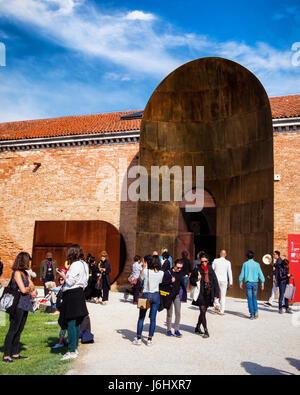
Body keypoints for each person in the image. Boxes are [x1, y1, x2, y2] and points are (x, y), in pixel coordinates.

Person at [58, 244, 89, 361]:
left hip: (72, 293)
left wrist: (63, 275)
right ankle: (74, 347)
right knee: (76, 323)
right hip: (80, 292)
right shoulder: (84, 264)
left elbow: (70, 281)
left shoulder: (75, 264)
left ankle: (71, 351)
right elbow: (85, 282)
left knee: (71, 322)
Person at [3, 252, 36, 363]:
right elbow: (23, 290)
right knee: (13, 329)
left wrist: (28, 288)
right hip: (17, 305)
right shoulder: (17, 273)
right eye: (28, 260)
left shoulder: (25, 273)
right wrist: (28, 289)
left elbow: (32, 286)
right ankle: (6, 355)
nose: (30, 263)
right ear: (24, 261)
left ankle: (15, 353)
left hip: (24, 304)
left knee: (20, 329)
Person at [133, 255, 164, 346]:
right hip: (156, 295)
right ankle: (149, 339)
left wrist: (143, 268)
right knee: (153, 319)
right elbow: (160, 282)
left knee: (141, 318)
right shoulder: (161, 273)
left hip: (146, 294)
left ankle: (139, 338)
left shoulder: (146, 272)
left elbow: (140, 279)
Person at [190, 254, 219, 338]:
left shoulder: (210, 268)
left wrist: (216, 295)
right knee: (202, 311)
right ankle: (206, 330)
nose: (203, 263)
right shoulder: (197, 268)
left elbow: (215, 281)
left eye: (205, 261)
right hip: (200, 293)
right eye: (202, 261)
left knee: (203, 311)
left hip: (209, 293)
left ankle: (197, 327)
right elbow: (191, 280)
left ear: (208, 261)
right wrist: (197, 279)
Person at [162, 259, 186, 337]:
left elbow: (182, 284)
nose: (179, 269)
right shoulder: (167, 273)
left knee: (178, 313)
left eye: (181, 268)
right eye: (178, 267)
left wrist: (184, 294)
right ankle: (168, 329)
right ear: (174, 265)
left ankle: (176, 330)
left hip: (177, 295)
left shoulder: (181, 273)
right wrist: (170, 281)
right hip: (169, 296)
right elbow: (162, 283)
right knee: (169, 313)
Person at [239, 250, 265, 320]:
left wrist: (240, 282)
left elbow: (242, 274)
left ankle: (252, 315)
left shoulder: (245, 264)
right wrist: (262, 284)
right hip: (255, 283)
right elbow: (261, 275)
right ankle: (256, 311)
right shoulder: (257, 264)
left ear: (247, 257)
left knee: (250, 299)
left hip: (248, 283)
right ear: (253, 256)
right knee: (254, 298)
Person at [212, 250, 233, 315]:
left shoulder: (215, 261)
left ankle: (217, 303)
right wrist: (231, 282)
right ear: (225, 254)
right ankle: (222, 311)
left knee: (215, 293)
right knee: (223, 295)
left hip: (216, 279)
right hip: (224, 280)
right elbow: (230, 272)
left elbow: (212, 270)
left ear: (220, 254)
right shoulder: (228, 262)